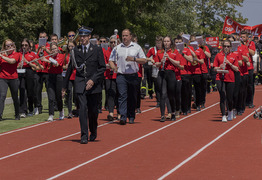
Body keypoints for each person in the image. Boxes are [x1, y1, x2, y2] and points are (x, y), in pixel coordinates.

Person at [62, 26, 106, 144]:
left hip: (94, 85)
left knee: (93, 111)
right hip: (81, 83)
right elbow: (70, 68)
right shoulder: (75, 51)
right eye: (80, 36)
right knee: (82, 110)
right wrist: (64, 86)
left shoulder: (96, 49)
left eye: (84, 36)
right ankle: (84, 135)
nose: (82, 38)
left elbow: (102, 68)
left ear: (89, 37)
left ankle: (93, 130)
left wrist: (93, 80)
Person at [109, 29, 146, 125]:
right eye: (123, 35)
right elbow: (111, 60)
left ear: (130, 36)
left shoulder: (137, 47)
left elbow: (144, 60)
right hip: (121, 75)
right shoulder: (117, 48)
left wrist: (133, 59)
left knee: (132, 96)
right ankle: (123, 116)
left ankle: (131, 115)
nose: (124, 37)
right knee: (122, 95)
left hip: (133, 75)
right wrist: (113, 67)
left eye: (126, 35)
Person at [155, 36, 181, 122]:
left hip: (171, 74)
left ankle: (173, 113)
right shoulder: (159, 52)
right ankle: (162, 115)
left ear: (170, 43)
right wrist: (161, 62)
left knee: (171, 95)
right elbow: (156, 64)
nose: (166, 43)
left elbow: (178, 63)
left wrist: (169, 58)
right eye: (165, 41)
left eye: (167, 41)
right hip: (162, 73)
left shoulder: (174, 51)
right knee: (163, 94)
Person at [213, 40, 239, 122]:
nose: (226, 48)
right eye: (225, 46)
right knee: (222, 95)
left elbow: (237, 69)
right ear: (222, 47)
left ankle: (230, 111)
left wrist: (230, 64)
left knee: (230, 98)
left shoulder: (233, 55)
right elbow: (214, 68)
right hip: (220, 78)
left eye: (228, 46)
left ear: (230, 47)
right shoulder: (218, 55)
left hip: (230, 78)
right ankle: (223, 115)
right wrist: (219, 67)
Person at [41, 42, 65, 121]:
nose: (54, 50)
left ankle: (61, 110)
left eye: (55, 48)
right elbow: (43, 67)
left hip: (58, 76)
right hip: (50, 77)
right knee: (51, 97)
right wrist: (38, 61)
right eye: (52, 49)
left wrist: (47, 60)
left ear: (57, 48)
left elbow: (57, 64)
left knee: (58, 96)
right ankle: (51, 114)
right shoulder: (49, 57)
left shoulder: (61, 56)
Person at [18, 39, 40, 118]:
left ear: (29, 46)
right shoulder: (19, 54)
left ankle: (32, 108)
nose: (24, 47)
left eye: (26, 45)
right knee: (22, 90)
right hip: (21, 72)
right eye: (22, 45)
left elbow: (36, 67)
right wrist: (19, 64)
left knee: (31, 92)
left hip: (30, 72)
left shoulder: (32, 54)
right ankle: (23, 111)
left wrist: (27, 62)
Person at [0, 39, 20, 120]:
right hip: (3, 78)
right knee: (2, 96)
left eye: (11, 45)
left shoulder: (17, 54)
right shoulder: (2, 55)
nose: (10, 47)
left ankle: (17, 114)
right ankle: (0, 115)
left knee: (15, 96)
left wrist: (2, 56)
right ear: (4, 47)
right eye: (7, 46)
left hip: (13, 78)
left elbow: (12, 61)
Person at [105, 35, 120, 121]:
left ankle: (119, 112)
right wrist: (111, 66)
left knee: (118, 94)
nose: (113, 44)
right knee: (110, 94)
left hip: (119, 76)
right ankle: (111, 112)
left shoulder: (120, 52)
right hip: (109, 76)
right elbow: (104, 63)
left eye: (115, 42)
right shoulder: (106, 52)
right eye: (111, 42)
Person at [240, 31, 256, 108]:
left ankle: (250, 101)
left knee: (250, 86)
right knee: (243, 86)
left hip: (249, 67)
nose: (242, 38)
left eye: (244, 37)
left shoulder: (251, 43)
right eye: (241, 37)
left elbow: (252, 53)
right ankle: (244, 101)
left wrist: (245, 47)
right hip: (241, 67)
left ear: (247, 37)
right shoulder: (239, 44)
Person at [63, 40, 77, 118]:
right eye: (69, 46)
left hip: (76, 76)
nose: (71, 48)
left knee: (76, 93)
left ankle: (77, 109)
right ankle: (69, 111)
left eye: (72, 46)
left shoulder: (77, 54)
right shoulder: (66, 55)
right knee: (69, 93)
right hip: (69, 76)